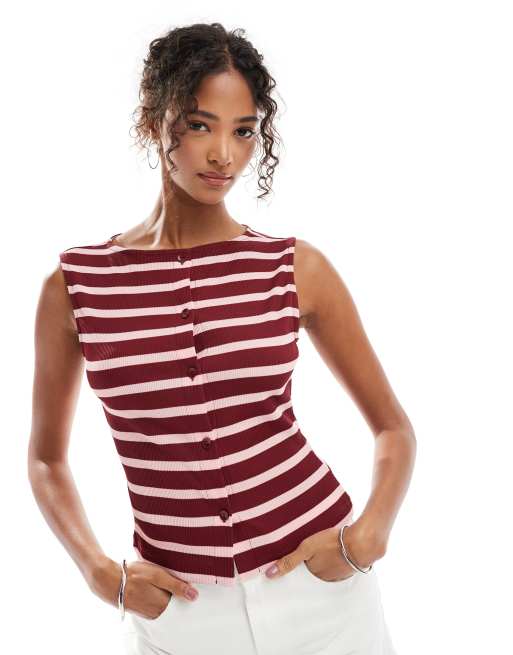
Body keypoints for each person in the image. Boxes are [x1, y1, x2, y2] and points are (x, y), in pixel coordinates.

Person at [28, 22, 416, 655]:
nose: (223, 156)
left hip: (321, 589)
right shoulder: (77, 286)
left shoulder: (293, 267)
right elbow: (46, 459)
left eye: (243, 131)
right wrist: (98, 572)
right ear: (153, 119)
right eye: (200, 125)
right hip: (177, 611)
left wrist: (369, 535)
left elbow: (393, 428)